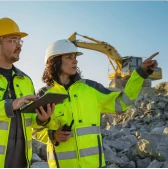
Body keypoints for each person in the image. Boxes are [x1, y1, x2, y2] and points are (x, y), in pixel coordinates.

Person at [34, 39, 158, 168]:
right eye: (68, 57)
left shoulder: (91, 88)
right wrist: (52, 135)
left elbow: (123, 102)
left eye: (75, 57)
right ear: (55, 62)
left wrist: (139, 74)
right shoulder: (44, 94)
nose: (75, 60)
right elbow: (33, 129)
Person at [0, 17, 55, 168]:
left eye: (20, 41)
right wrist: (10, 105)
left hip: (21, 162)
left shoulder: (26, 80)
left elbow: (28, 121)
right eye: (13, 40)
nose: (19, 46)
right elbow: (11, 107)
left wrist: (41, 119)